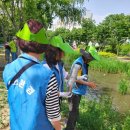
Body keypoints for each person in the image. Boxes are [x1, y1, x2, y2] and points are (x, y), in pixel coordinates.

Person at [3, 19, 61, 130]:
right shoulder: (48, 76)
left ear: (20, 42)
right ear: (43, 46)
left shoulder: (8, 69)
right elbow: (53, 116)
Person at [65, 46, 100, 130]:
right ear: (87, 57)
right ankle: (69, 128)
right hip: (74, 92)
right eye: (91, 58)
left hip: (77, 91)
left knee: (75, 112)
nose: (91, 60)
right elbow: (74, 78)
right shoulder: (78, 64)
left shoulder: (83, 62)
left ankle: (72, 127)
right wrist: (88, 84)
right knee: (73, 113)